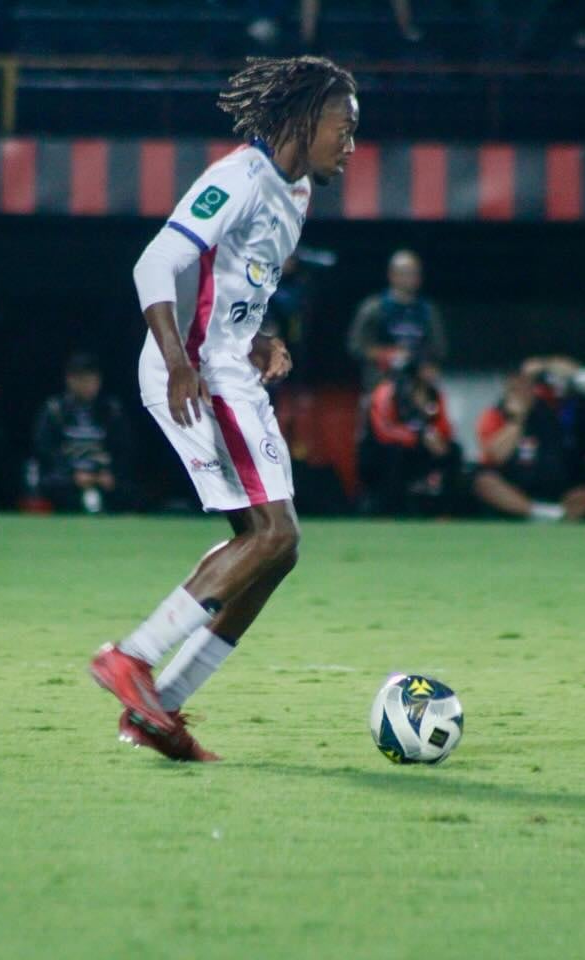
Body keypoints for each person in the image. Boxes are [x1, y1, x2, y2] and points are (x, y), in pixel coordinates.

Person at [89, 55, 358, 762]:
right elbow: (155, 264)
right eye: (344, 127)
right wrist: (181, 361)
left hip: (227, 363)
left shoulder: (296, 193)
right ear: (305, 119)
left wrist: (261, 336)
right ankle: (133, 658)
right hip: (200, 374)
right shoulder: (237, 177)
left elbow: (230, 287)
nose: (352, 146)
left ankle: (160, 708)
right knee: (273, 536)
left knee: (275, 548)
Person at [472, 369, 585, 522]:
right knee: (485, 482)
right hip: (514, 489)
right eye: (515, 388)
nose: (521, 392)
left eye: (525, 386)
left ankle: (558, 516)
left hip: (553, 487)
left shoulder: (551, 411)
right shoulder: (494, 414)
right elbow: (496, 456)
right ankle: (539, 513)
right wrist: (517, 420)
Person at [31, 353, 132, 514]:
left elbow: (124, 449)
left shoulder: (111, 410)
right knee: (53, 486)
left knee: (128, 489)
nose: (89, 386)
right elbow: (45, 450)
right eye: (84, 380)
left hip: (103, 475)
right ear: (70, 380)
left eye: (93, 380)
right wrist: (73, 475)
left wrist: (110, 472)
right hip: (67, 478)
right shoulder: (54, 410)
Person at [358, 364, 462, 516]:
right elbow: (384, 431)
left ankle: (445, 510)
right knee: (395, 454)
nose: (433, 373)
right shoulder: (388, 391)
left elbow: (444, 428)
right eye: (428, 367)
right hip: (382, 450)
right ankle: (388, 510)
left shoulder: (434, 394)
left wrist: (435, 437)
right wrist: (419, 437)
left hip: (418, 447)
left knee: (453, 451)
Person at [347, 249, 446, 393]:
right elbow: (355, 345)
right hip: (381, 381)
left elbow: (439, 349)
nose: (409, 278)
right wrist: (385, 354)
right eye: (404, 273)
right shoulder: (373, 308)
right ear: (392, 275)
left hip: (418, 384)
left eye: (414, 273)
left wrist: (427, 367)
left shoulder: (428, 311)